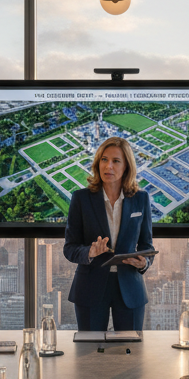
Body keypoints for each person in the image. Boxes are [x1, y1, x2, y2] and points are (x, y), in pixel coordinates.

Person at [63, 136, 154, 331]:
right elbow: (69, 248)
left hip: (130, 289)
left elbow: (147, 245)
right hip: (90, 287)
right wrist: (89, 252)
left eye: (116, 161)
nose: (108, 166)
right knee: (90, 348)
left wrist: (144, 262)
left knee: (130, 349)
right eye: (104, 159)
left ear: (126, 166)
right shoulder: (81, 198)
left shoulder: (141, 199)